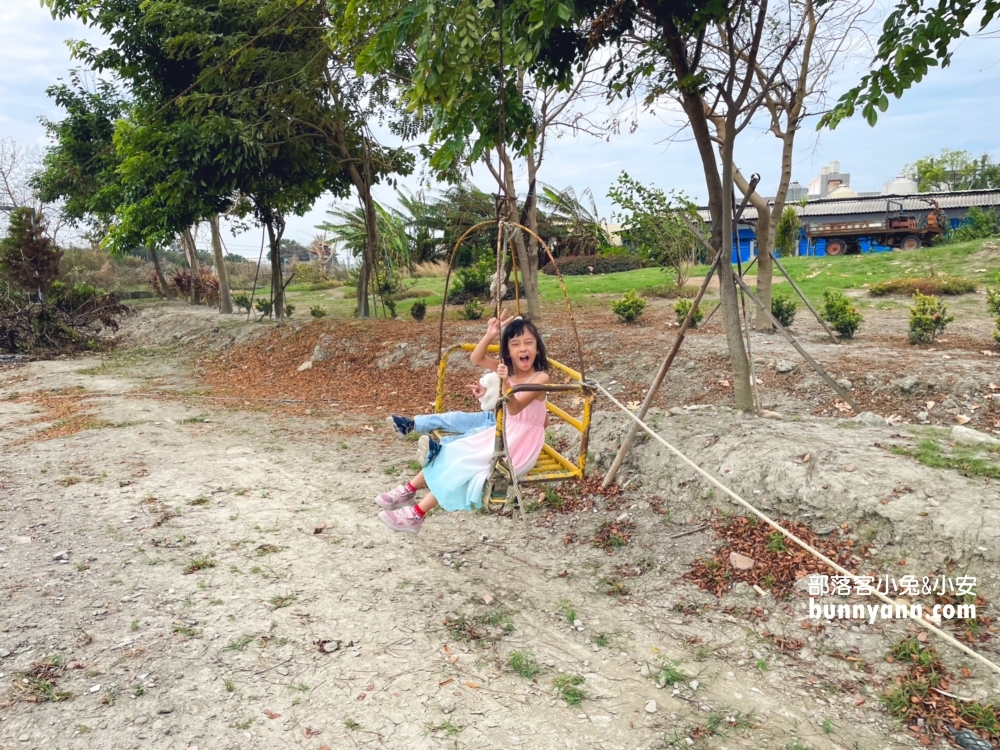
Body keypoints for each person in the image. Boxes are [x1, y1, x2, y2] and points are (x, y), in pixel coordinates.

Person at [375, 314, 549, 534]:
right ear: (508, 353)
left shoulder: (540, 378)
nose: (523, 348)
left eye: (528, 343)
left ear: (537, 349)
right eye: (515, 344)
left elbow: (514, 408)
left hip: (521, 442)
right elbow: (476, 358)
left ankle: (416, 513)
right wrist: (490, 335)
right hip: (504, 431)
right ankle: (412, 499)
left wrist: (505, 382)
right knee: (454, 449)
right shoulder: (509, 370)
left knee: (465, 463)